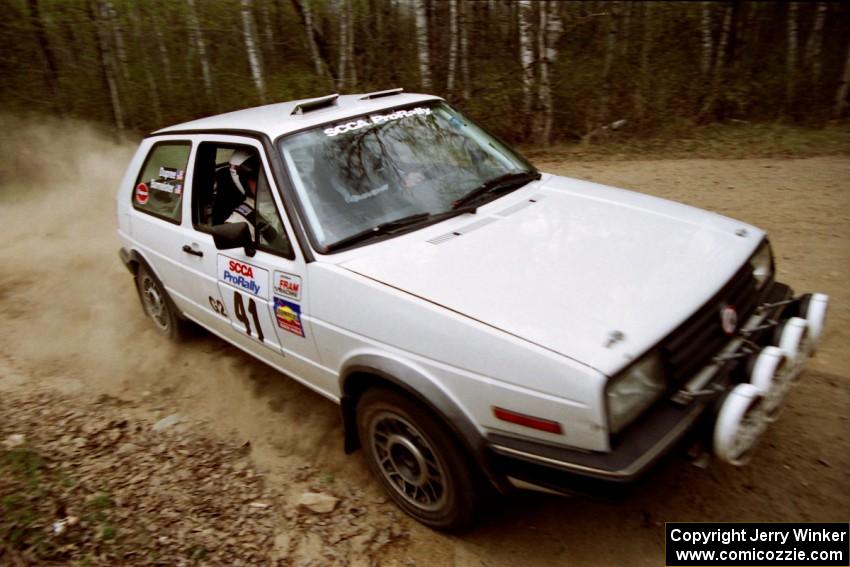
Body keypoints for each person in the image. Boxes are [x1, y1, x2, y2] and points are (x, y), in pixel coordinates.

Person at [224, 149, 260, 239]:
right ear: (243, 180)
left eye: (268, 174)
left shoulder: (292, 197)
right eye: (255, 176)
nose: (265, 181)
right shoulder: (239, 221)